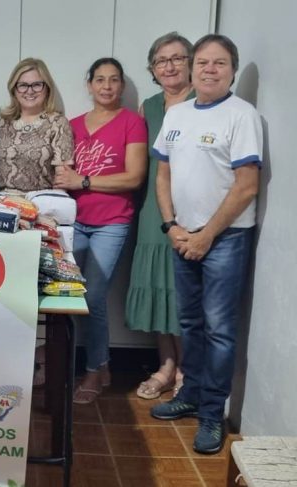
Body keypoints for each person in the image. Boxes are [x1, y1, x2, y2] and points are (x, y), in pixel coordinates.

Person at [150, 34, 261, 454]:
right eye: (203, 62)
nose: (209, 70)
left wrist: (206, 235)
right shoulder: (177, 113)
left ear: (232, 70)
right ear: (192, 68)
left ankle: (212, 413)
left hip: (224, 239)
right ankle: (190, 394)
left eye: (219, 63)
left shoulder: (242, 115)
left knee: (219, 330)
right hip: (182, 235)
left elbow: (246, 186)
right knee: (191, 323)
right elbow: (164, 175)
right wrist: (170, 226)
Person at [53, 58, 147, 404]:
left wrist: (84, 181)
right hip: (74, 221)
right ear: (89, 84)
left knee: (92, 296)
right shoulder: (73, 125)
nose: (107, 86)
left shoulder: (132, 123)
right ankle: (97, 365)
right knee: (66, 295)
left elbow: (134, 177)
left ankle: (94, 369)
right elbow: (62, 173)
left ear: (121, 85)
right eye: (100, 80)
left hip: (111, 223)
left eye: (114, 80)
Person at [126, 32, 195, 400]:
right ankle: (166, 366)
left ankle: (187, 369)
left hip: (191, 207)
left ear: (190, 63)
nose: (169, 66)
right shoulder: (149, 107)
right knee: (156, 285)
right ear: (152, 69)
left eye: (177, 58)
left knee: (182, 289)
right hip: (153, 206)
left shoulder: (203, 100)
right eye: (161, 61)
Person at [0, 58, 74, 192]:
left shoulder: (57, 123)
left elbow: (62, 178)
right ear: (14, 89)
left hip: (41, 200)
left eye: (37, 85)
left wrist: (52, 203)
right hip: (3, 201)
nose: (30, 91)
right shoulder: (2, 122)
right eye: (23, 85)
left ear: (47, 88)